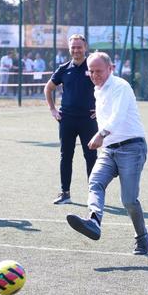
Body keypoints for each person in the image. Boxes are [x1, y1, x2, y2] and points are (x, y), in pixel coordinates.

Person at [66, 51, 148, 255]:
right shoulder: (98, 90)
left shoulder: (120, 86)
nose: (95, 75)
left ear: (111, 69)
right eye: (91, 71)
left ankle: (142, 236)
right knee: (95, 181)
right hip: (110, 149)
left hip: (132, 147)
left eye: (99, 71)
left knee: (129, 200)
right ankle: (94, 221)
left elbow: (119, 116)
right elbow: (107, 114)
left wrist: (100, 134)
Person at [44, 34, 97, 204]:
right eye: (73, 47)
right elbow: (48, 88)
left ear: (85, 47)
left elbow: (106, 87)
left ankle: (94, 194)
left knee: (90, 156)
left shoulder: (93, 67)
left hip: (88, 120)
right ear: (69, 49)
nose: (76, 50)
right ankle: (65, 193)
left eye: (79, 47)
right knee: (65, 156)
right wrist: (52, 109)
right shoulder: (63, 68)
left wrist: (101, 110)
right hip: (66, 119)